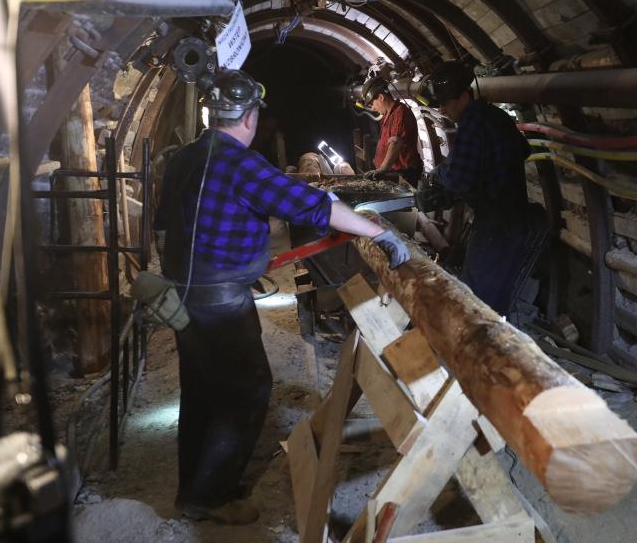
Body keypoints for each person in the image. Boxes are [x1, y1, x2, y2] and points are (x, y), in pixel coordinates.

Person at [154, 69, 409, 525]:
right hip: (219, 301)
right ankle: (210, 497)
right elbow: (313, 205)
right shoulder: (240, 163)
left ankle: (192, 488)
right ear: (249, 116)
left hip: (182, 294)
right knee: (246, 391)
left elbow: (161, 224)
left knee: (202, 390)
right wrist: (377, 233)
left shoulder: (183, 158)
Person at [417, 61, 547, 316]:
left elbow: (458, 179)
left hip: (495, 224)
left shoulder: (472, 122)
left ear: (463, 96)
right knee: (496, 298)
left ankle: (477, 339)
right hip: (515, 217)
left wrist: (439, 172)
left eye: (445, 103)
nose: (442, 110)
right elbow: (523, 150)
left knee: (477, 300)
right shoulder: (496, 115)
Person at [361, 75, 424, 185]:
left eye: (372, 103)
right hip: (393, 174)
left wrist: (382, 169)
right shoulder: (388, 115)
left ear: (381, 97)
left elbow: (395, 142)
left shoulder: (400, 112)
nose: (372, 108)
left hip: (403, 176)